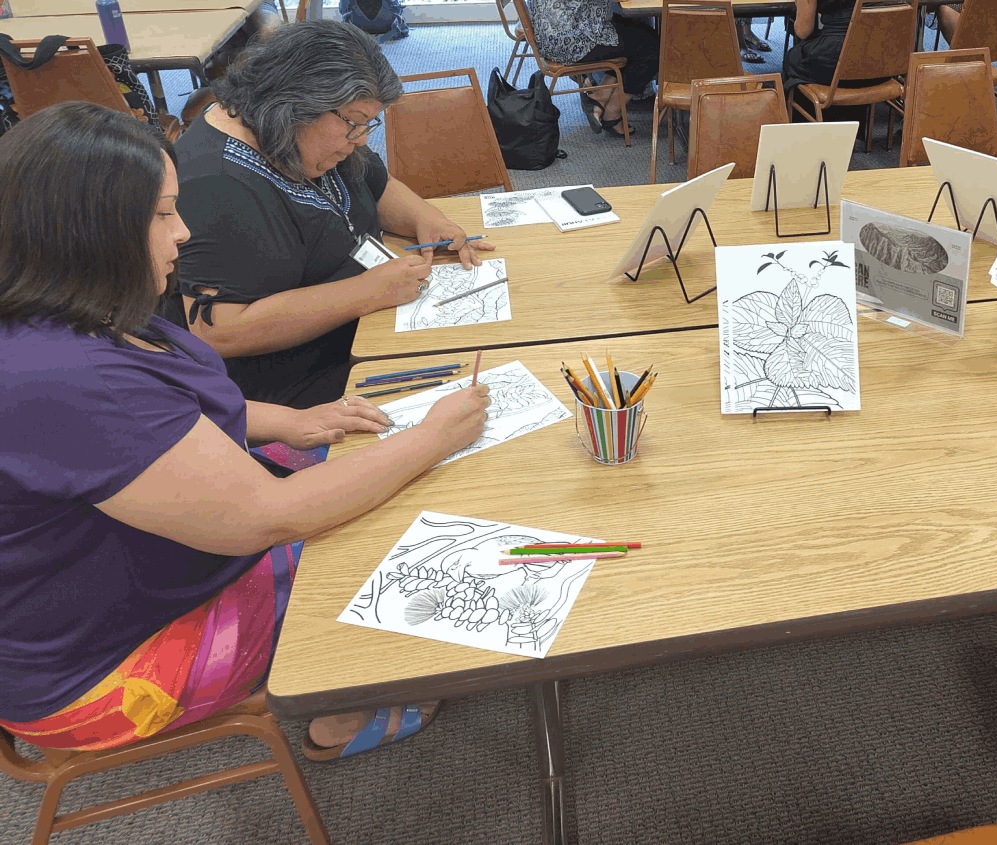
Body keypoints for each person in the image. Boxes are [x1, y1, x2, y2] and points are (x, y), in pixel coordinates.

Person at [0, 103, 492, 755]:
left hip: (103, 590)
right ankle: (342, 710)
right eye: (161, 214)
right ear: (92, 230)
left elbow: (173, 413)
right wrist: (431, 438)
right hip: (105, 673)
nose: (182, 234)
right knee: (389, 531)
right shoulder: (69, 378)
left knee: (356, 459)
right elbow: (270, 515)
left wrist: (290, 418)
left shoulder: (67, 309)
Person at [169, 21, 493, 409]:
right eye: (354, 124)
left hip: (367, 328)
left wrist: (425, 218)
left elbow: (377, 185)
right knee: (476, 389)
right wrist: (366, 292)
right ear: (295, 103)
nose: (361, 140)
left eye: (367, 124)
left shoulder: (305, 132)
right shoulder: (214, 184)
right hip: (293, 385)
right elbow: (219, 332)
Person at [526, 0, 659, 135]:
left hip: (550, 32)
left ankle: (599, 98)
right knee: (653, 48)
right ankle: (613, 113)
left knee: (639, 33)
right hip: (571, 39)